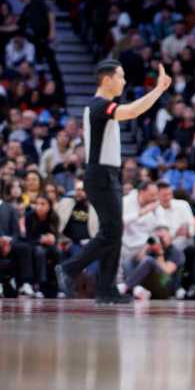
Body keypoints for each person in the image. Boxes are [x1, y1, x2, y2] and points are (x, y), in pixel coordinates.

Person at [55, 59, 171, 305]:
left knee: (115, 232)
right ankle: (69, 269)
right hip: (99, 174)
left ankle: (106, 289)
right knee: (110, 232)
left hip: (107, 174)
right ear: (107, 79)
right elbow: (132, 112)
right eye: (121, 76)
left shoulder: (102, 106)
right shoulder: (99, 106)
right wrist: (158, 90)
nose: (124, 81)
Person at [122, 225, 185, 300]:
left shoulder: (175, 252)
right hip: (150, 285)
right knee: (128, 262)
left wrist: (160, 253)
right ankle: (137, 288)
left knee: (149, 260)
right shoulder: (152, 249)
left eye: (162, 237)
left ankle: (126, 287)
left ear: (170, 237)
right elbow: (138, 260)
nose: (160, 240)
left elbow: (167, 271)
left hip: (166, 287)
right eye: (157, 238)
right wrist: (147, 246)